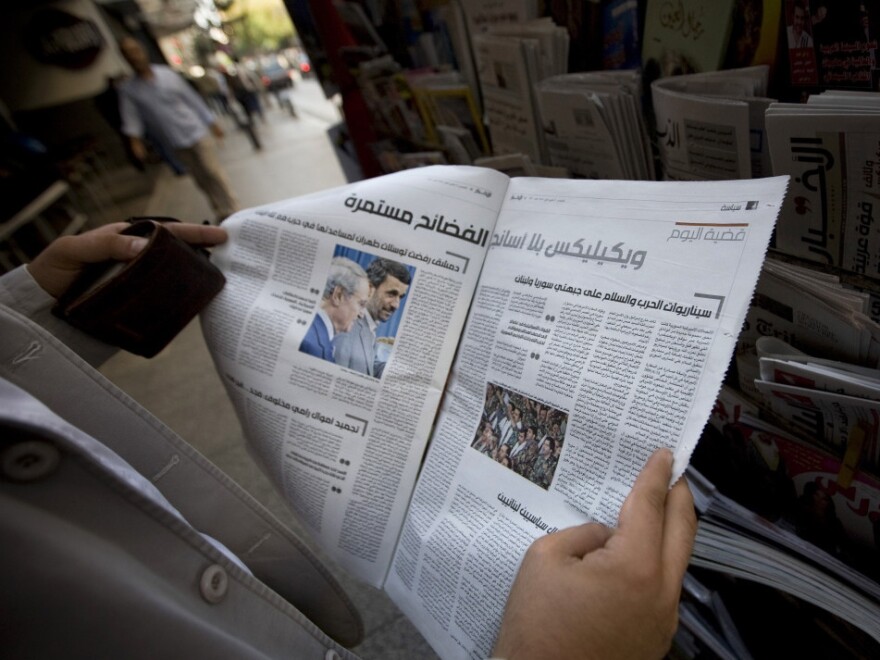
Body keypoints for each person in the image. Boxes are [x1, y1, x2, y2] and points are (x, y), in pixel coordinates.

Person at [1, 225, 696, 658]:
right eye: (383, 299)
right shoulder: (344, 332)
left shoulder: (363, 330)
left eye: (391, 301)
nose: (387, 307)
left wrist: (25, 313)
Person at [116, 37, 238, 222]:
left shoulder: (167, 75)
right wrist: (135, 142)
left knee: (212, 171)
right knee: (200, 178)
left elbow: (192, 99)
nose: (134, 56)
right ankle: (220, 209)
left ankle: (233, 207)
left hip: (195, 131)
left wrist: (211, 123)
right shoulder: (129, 90)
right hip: (173, 140)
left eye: (135, 50)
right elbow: (131, 119)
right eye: (128, 53)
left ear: (142, 51)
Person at [334, 257, 411, 377]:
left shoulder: (369, 326)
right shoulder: (348, 324)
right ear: (369, 289)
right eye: (391, 294)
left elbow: (369, 367)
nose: (396, 305)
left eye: (400, 297)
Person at [300, 256, 369, 362]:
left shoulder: (318, 335)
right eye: (361, 304)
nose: (362, 314)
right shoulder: (311, 345)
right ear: (338, 295)